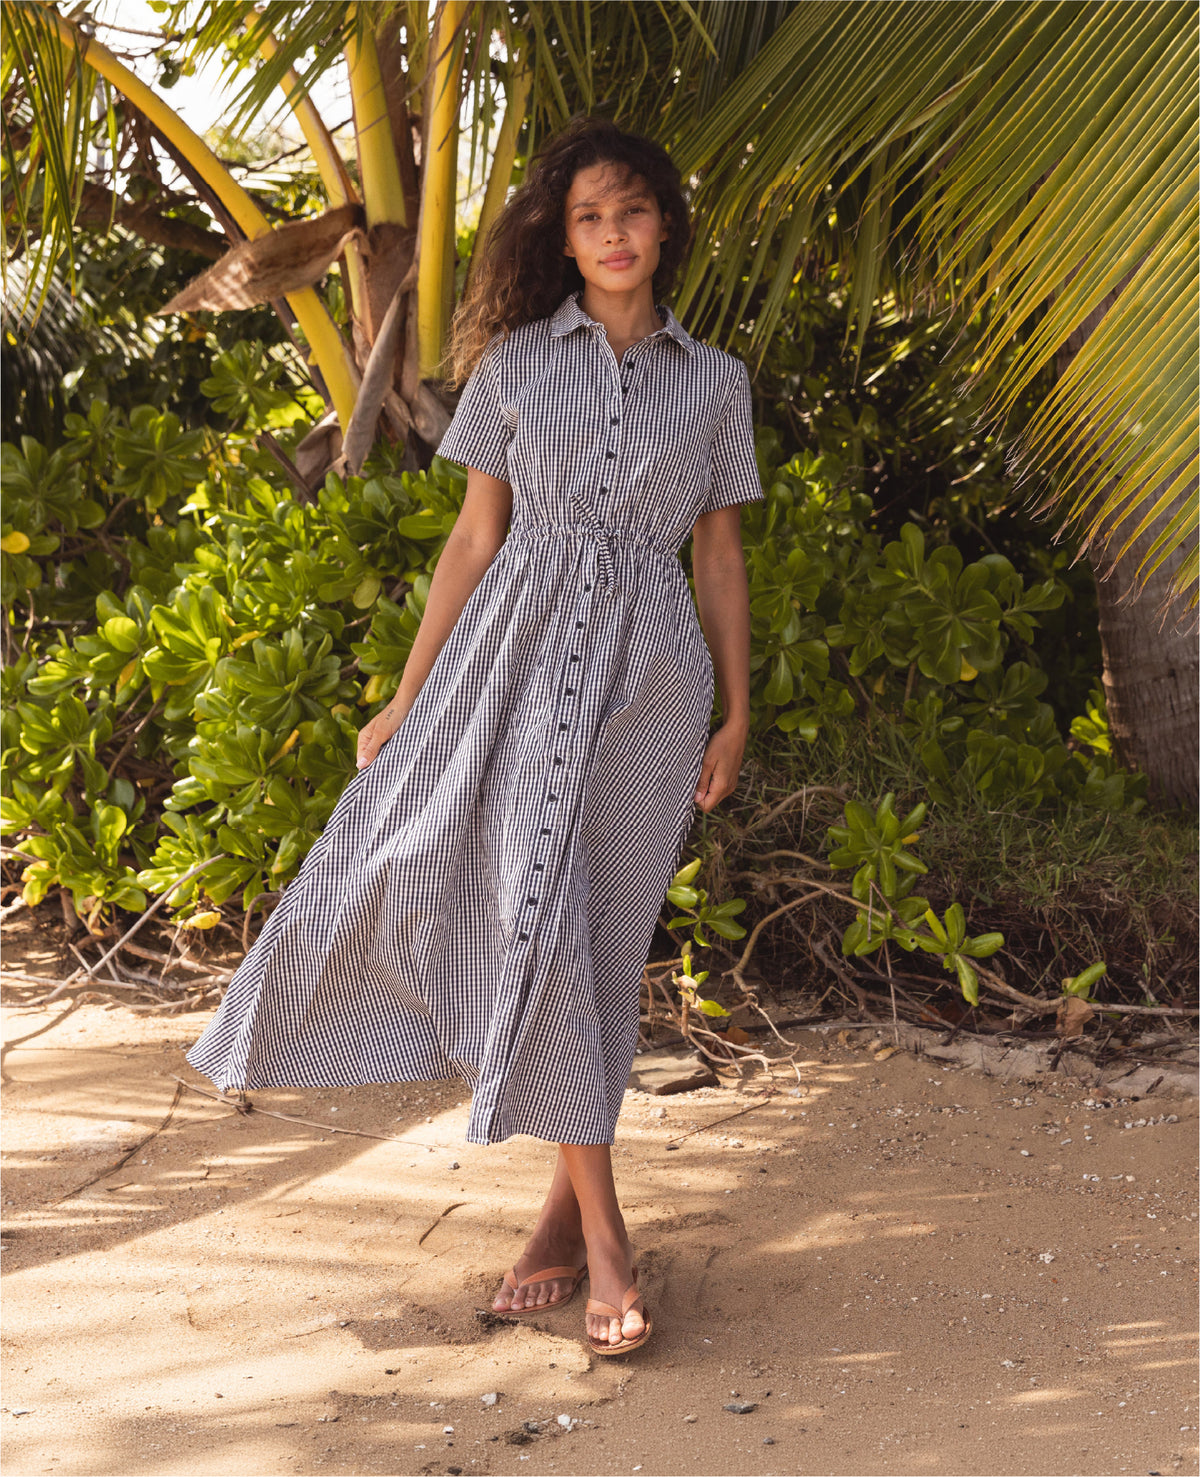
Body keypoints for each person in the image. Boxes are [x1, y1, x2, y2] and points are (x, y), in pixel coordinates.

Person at [186, 115, 763, 1357]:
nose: (614, 235)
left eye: (634, 212)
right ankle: (609, 1240)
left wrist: (737, 707)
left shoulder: (714, 382)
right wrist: (406, 694)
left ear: (666, 223)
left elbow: (718, 552)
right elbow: (471, 540)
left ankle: (560, 1221)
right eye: (589, 218)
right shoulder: (511, 367)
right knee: (530, 914)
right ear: (562, 239)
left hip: (648, 680)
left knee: (599, 935)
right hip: (511, 664)